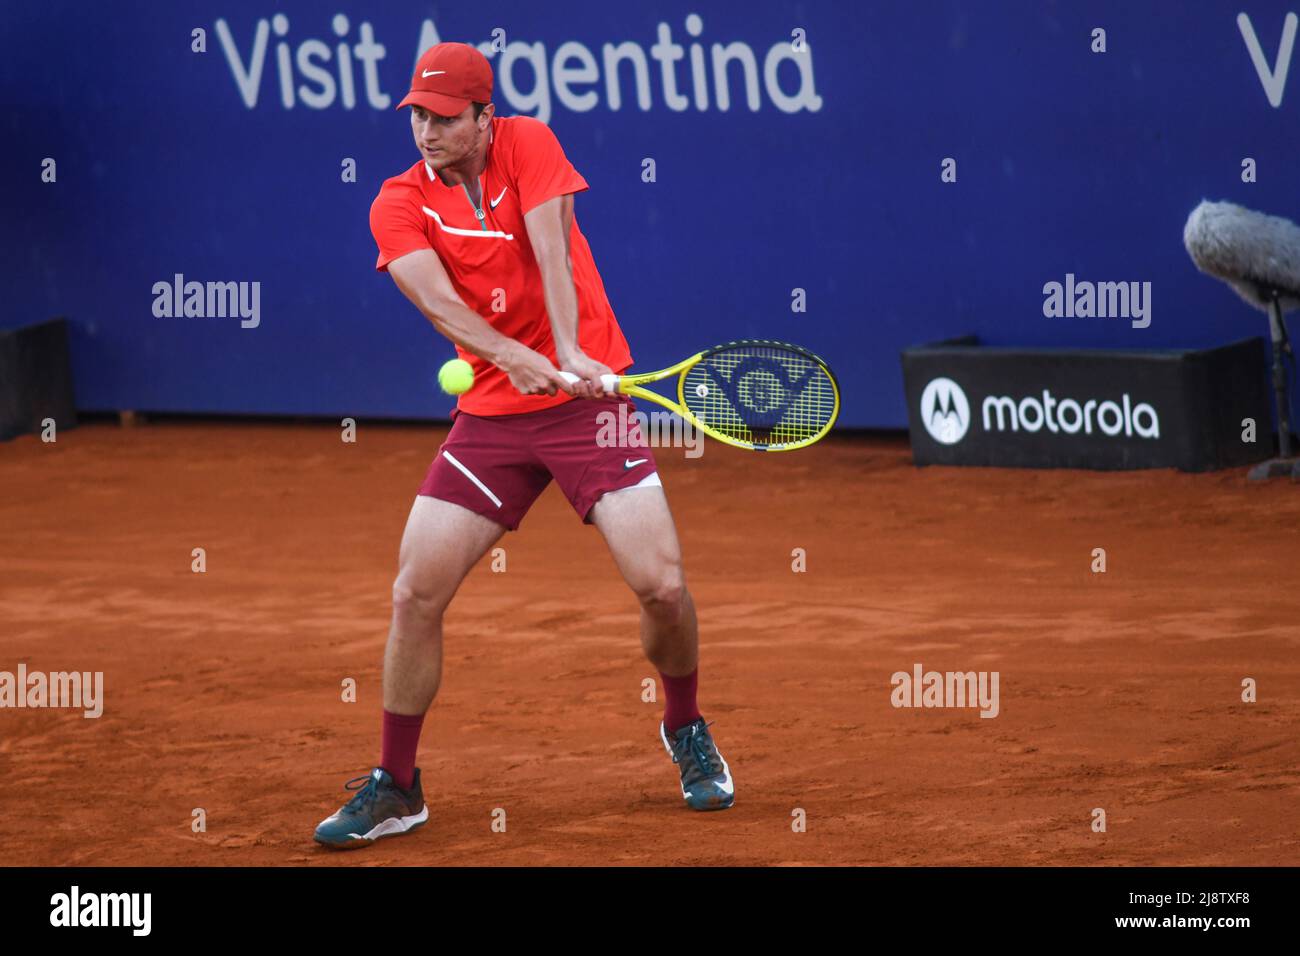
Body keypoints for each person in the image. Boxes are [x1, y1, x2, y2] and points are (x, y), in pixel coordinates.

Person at [314, 42, 733, 849]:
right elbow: (438, 304)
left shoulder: (529, 142)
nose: (427, 132)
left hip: (585, 400)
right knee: (415, 590)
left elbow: (552, 244)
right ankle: (398, 783)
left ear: (483, 116)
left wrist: (570, 352)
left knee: (662, 588)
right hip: (494, 416)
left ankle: (684, 725)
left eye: (443, 119)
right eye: (417, 118)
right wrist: (512, 359)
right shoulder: (396, 202)